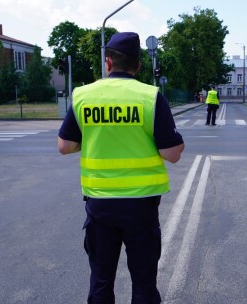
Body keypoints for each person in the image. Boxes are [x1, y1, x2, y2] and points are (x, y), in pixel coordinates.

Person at [57, 32, 185, 304]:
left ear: (107, 63)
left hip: (100, 205)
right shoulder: (150, 97)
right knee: (144, 283)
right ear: (138, 66)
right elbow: (172, 154)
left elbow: (65, 146)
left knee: (101, 283)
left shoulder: (83, 96)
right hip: (141, 206)